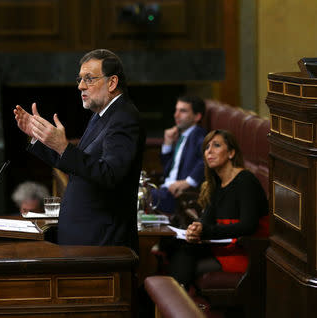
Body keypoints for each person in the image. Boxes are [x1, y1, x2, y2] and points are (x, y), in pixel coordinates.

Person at [14, 49, 145, 251]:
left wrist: (64, 147)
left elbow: (110, 174)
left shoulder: (124, 118)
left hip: (103, 243)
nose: (80, 86)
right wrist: (37, 137)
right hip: (86, 238)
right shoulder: (102, 115)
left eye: (89, 79)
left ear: (112, 83)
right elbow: (77, 165)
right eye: (80, 79)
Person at [165, 130, 268, 289]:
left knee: (184, 254)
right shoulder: (217, 184)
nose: (209, 151)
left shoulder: (246, 180)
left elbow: (248, 225)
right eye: (206, 147)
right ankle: (176, 300)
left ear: (231, 153)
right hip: (222, 248)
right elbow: (206, 221)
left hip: (243, 252)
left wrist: (206, 231)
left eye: (216, 146)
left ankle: (176, 302)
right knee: (172, 244)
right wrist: (196, 229)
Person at [150, 96, 206, 214]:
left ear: (197, 116)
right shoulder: (181, 136)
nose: (176, 115)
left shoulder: (199, 136)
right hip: (165, 190)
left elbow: (206, 159)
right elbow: (167, 170)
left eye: (183, 111)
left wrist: (188, 182)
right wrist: (167, 144)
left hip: (179, 195)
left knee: (136, 195)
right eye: (176, 110)